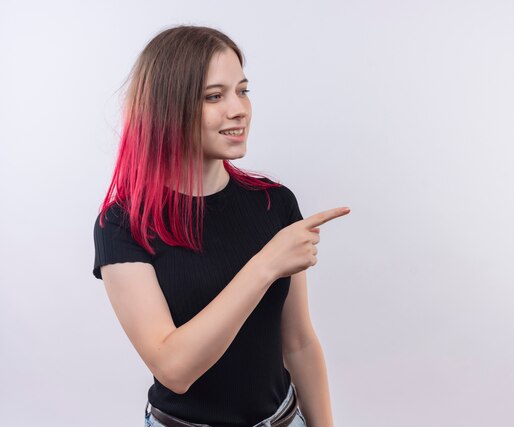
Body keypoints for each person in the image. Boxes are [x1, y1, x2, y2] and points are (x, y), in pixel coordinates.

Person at [91, 25, 350, 427]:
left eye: (242, 91)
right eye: (215, 96)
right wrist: (265, 266)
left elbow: (298, 342)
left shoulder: (274, 203)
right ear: (167, 107)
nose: (239, 109)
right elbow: (174, 369)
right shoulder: (123, 225)